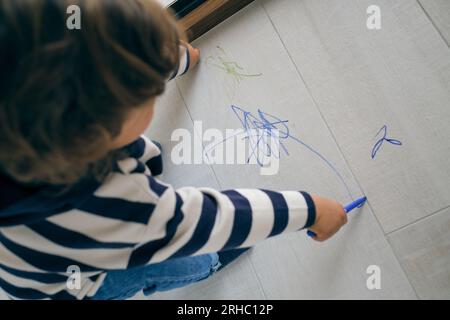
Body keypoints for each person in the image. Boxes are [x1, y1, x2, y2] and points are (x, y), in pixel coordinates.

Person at [0, 0, 347, 300]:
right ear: (94, 135)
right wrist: (311, 209)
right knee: (169, 262)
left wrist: (172, 60)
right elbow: (206, 219)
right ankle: (210, 262)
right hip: (75, 283)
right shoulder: (109, 209)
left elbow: (101, 57)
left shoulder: (32, 112)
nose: (154, 93)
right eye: (148, 95)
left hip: (26, 245)